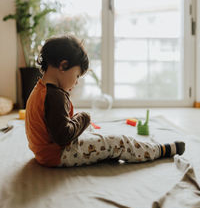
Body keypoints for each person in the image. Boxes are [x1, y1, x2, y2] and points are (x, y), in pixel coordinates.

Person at [25, 34, 185, 168]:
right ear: (63, 65)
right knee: (119, 142)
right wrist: (83, 118)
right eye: (76, 76)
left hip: (44, 153)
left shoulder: (40, 89)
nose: (76, 82)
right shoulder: (54, 96)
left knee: (96, 134)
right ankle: (159, 150)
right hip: (58, 155)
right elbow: (63, 136)